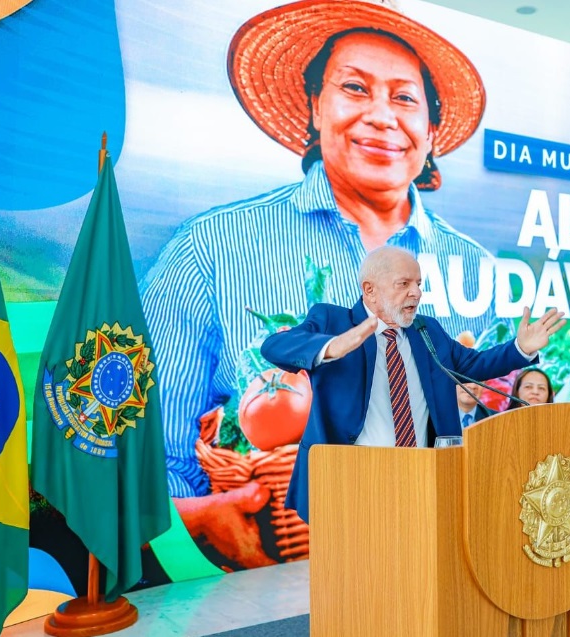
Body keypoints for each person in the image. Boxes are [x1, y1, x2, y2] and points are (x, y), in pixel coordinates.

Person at [141, 0, 496, 502]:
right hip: (278, 562)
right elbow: (158, 453)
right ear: (314, 105)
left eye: (404, 98)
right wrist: (207, 535)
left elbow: (494, 420)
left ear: (431, 132)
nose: (381, 117)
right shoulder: (213, 245)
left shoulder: (476, 268)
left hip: (435, 525)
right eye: (354, 87)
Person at [261, 246, 565, 520]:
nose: (416, 293)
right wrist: (332, 347)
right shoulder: (333, 321)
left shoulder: (426, 330)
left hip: (421, 478)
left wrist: (522, 348)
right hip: (350, 480)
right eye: (404, 284)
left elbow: (473, 364)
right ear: (370, 290)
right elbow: (275, 346)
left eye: (419, 284)